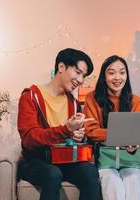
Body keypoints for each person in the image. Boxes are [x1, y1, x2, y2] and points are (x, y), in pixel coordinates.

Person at [17, 48, 101, 200]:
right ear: (61, 67)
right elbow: (29, 139)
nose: (81, 80)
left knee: (90, 171)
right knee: (52, 173)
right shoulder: (30, 96)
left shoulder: (74, 103)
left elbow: (72, 138)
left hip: (64, 160)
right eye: (77, 72)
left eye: (84, 76)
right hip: (36, 161)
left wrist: (78, 136)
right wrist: (66, 130)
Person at [83, 55, 140, 200]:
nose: (117, 77)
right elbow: (91, 132)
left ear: (126, 75)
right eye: (111, 72)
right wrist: (123, 135)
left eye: (122, 72)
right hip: (105, 161)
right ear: (104, 76)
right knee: (113, 184)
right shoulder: (91, 98)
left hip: (130, 160)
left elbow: (136, 134)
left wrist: (134, 143)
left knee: (132, 180)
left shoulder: (135, 101)